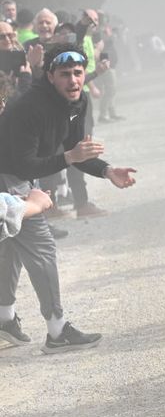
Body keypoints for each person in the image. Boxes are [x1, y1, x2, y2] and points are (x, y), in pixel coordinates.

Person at [0, 44, 137, 353]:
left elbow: (74, 150)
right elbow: (25, 163)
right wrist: (69, 157)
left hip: (18, 175)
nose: (74, 80)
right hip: (10, 176)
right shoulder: (29, 107)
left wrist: (106, 169)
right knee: (42, 248)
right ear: (50, 76)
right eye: (64, 75)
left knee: (10, 247)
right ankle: (57, 330)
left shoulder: (79, 101)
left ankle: (4, 319)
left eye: (78, 73)